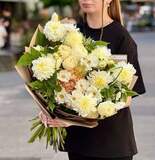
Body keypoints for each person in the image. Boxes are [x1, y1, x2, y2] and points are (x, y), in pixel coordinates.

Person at [39, 0, 146, 159]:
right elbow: (56, 82)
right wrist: (48, 109)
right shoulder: (71, 34)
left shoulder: (121, 37)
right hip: (78, 143)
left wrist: (76, 120)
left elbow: (125, 98)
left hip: (111, 144)